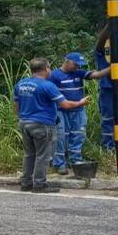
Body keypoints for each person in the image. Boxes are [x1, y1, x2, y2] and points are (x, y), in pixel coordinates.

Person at [14, 58, 89, 193]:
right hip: (42, 124)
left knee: (29, 154)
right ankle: (39, 185)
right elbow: (65, 104)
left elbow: (16, 105)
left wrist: (20, 119)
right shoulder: (47, 86)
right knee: (43, 155)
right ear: (46, 68)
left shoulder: (21, 84)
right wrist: (80, 103)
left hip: (24, 123)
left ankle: (25, 183)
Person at [49, 52, 110, 175]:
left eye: (79, 65)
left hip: (78, 111)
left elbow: (96, 74)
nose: (78, 67)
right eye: (75, 64)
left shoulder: (78, 73)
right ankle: (60, 163)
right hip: (61, 111)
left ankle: (75, 160)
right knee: (61, 137)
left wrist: (112, 67)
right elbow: (50, 94)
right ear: (67, 61)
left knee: (78, 135)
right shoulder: (54, 75)